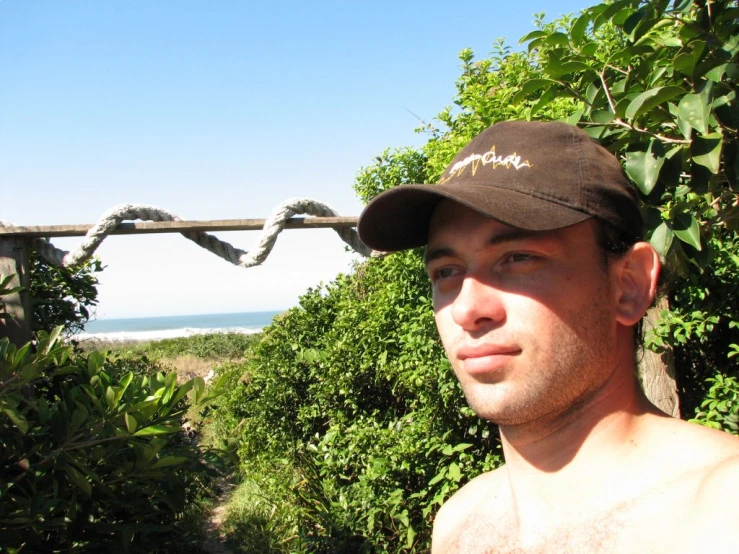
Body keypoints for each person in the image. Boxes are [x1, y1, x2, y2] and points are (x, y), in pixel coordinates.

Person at [357, 121, 739, 553]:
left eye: (518, 258)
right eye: (447, 272)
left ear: (628, 286)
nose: (466, 310)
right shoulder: (459, 524)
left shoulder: (721, 512)